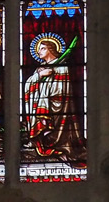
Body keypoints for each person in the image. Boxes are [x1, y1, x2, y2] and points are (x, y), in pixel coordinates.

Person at [22, 34, 87, 166]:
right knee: (40, 109)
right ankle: (39, 141)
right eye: (39, 49)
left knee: (46, 107)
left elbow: (62, 90)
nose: (39, 51)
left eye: (42, 48)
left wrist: (45, 95)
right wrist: (39, 75)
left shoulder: (61, 67)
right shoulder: (40, 68)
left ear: (51, 50)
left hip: (56, 105)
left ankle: (54, 141)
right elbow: (28, 86)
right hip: (40, 105)